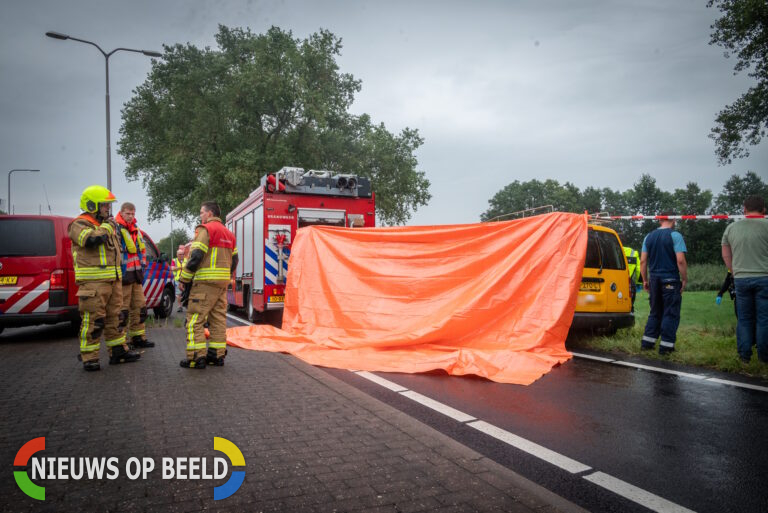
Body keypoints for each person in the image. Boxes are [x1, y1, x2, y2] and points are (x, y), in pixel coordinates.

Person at [68, 185, 141, 371]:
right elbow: (90, 240)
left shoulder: (106, 225)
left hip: (113, 281)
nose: (108, 209)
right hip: (93, 284)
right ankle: (90, 358)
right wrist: (108, 227)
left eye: (108, 206)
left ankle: (118, 352)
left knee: (116, 318)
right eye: (104, 205)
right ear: (92, 205)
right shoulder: (79, 224)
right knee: (93, 321)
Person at [178, 202, 238, 369]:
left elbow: (195, 256)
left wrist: (184, 279)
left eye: (201, 212)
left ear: (210, 213)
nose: (200, 216)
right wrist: (223, 276)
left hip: (205, 283)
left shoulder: (205, 230)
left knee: (194, 320)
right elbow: (235, 261)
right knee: (218, 320)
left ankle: (196, 358)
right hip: (222, 284)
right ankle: (216, 356)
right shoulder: (229, 234)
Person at [721, 195, 768, 364]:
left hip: (741, 278)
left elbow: (725, 253)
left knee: (744, 318)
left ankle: (744, 357)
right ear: (764, 210)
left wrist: (734, 271)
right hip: (764, 277)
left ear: (744, 209)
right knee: (764, 318)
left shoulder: (731, 228)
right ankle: (764, 358)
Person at [639, 213, 688, 355]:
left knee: (655, 312)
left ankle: (647, 343)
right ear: (673, 220)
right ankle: (666, 347)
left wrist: (645, 280)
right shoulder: (675, 236)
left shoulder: (648, 237)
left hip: (654, 279)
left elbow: (643, 261)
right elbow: (680, 260)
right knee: (670, 312)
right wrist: (684, 278)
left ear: (660, 220)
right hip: (670, 279)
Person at [115, 202, 155, 349]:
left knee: (140, 308)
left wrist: (142, 266)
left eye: (133, 214)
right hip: (124, 276)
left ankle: (138, 338)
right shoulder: (116, 229)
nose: (131, 216)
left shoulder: (136, 229)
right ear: (121, 213)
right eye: (128, 214)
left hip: (136, 275)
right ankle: (121, 341)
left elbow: (142, 250)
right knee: (122, 311)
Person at [171, 245, 186, 313]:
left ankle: (187, 304)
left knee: (186, 292)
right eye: (180, 254)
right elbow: (172, 268)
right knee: (178, 294)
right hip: (178, 279)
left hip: (186, 279)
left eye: (182, 254)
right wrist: (181, 268)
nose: (181, 255)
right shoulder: (174, 260)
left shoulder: (186, 260)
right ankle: (180, 306)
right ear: (177, 255)